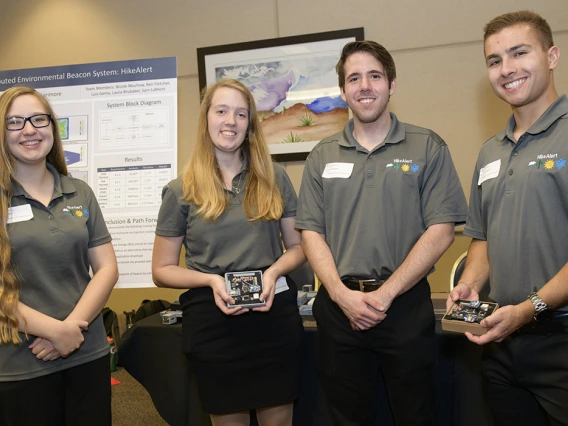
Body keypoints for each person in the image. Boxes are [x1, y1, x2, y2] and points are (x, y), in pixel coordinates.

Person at [296, 40, 468, 426]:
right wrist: (341, 296)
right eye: (354, 78)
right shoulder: (322, 155)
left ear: (392, 83)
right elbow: (311, 232)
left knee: (416, 414)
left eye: (375, 75)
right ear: (343, 91)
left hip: (404, 306)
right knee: (345, 416)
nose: (365, 86)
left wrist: (385, 295)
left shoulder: (428, 147)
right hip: (339, 308)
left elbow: (441, 230)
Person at [152, 78, 305, 426]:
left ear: (250, 123)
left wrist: (273, 273)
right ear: (206, 118)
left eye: (240, 113)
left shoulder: (275, 178)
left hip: (273, 315)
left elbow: (298, 249)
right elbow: (162, 270)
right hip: (212, 321)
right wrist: (210, 280)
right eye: (221, 111)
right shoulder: (180, 191)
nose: (230, 121)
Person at [448, 10, 568, 425]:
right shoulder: (489, 152)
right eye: (495, 60)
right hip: (500, 343)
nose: (507, 69)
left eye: (520, 53)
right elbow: (482, 238)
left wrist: (530, 308)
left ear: (551, 55)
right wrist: (470, 284)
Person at [0, 86, 119, 426]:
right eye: (15, 122)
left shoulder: (79, 191)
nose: (29, 129)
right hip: (22, 362)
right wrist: (54, 332)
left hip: (86, 351)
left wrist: (70, 329)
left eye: (39, 119)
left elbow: (107, 269)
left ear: (52, 127)